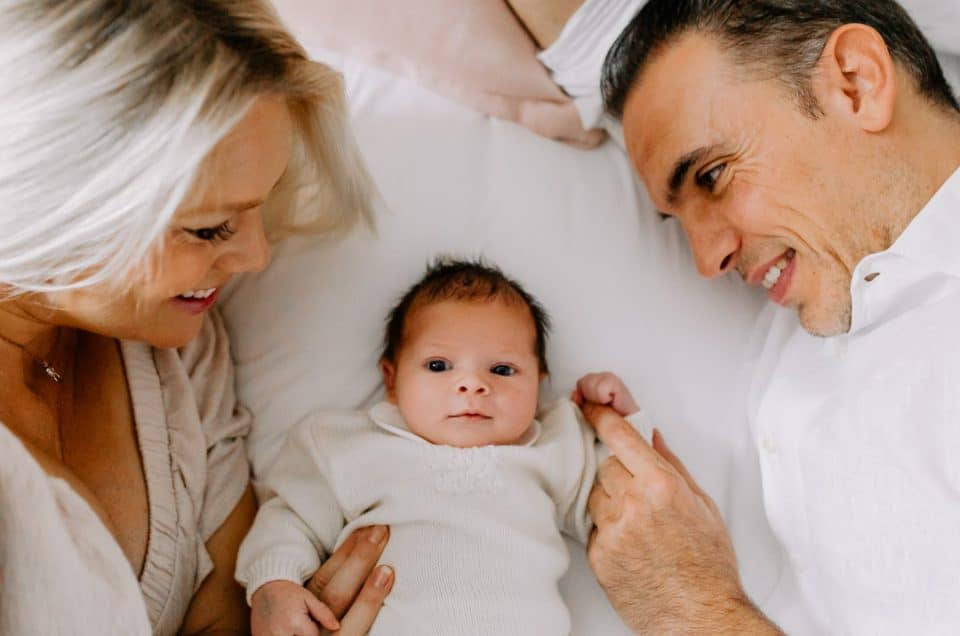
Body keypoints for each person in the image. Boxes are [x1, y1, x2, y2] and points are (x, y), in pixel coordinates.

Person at [516, 0, 960, 633]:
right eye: (678, 215)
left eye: (714, 176)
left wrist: (691, 608)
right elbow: (587, 33)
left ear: (856, 84)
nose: (705, 260)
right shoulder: (826, 235)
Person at [0, 1, 395, 633]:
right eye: (209, 229)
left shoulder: (177, 356)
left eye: (257, 211)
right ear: (54, 200)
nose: (256, 257)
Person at [235, 259, 645, 635]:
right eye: (438, 366)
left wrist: (621, 419)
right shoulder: (345, 445)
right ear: (392, 380)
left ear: (539, 384)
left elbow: (630, 500)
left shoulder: (555, 447)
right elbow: (292, 517)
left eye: (502, 369)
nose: (472, 384)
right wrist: (275, 582)